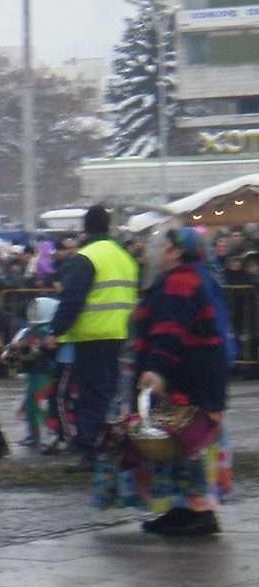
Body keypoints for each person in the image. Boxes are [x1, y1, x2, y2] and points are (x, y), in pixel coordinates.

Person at [95, 227, 232, 537]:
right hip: (197, 379)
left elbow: (171, 330)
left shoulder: (181, 281)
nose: (156, 251)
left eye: (162, 246)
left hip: (184, 381)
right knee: (183, 444)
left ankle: (198, 511)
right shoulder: (197, 277)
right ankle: (182, 509)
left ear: (176, 252)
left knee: (183, 442)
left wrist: (157, 369)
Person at [42, 206, 138, 461]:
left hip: (91, 334)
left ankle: (90, 448)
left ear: (86, 228)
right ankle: (109, 444)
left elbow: (72, 298)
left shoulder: (86, 257)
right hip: (118, 333)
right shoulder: (124, 257)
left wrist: (55, 331)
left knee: (90, 394)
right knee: (110, 392)